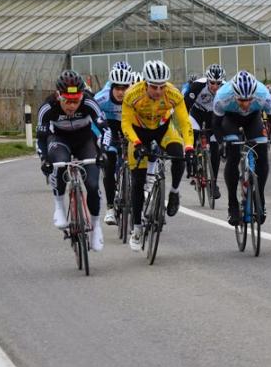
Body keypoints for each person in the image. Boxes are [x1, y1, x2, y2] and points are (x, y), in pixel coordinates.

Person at [121, 60, 194, 251]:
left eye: (162, 86)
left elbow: (185, 123)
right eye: (154, 87)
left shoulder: (173, 94)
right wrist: (136, 144)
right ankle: (137, 228)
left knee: (180, 157)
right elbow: (126, 124)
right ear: (146, 83)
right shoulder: (132, 95)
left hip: (163, 130)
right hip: (139, 133)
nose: (159, 91)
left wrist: (189, 147)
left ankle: (174, 192)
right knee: (137, 181)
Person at [37, 70, 108, 251]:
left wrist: (103, 152)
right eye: (67, 100)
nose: (71, 106)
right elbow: (41, 138)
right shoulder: (48, 107)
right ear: (58, 95)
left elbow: (105, 130)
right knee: (59, 163)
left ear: (81, 96)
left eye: (76, 100)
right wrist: (44, 159)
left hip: (84, 141)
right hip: (59, 140)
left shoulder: (89, 102)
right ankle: (59, 206)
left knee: (92, 184)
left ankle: (96, 227)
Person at [212, 70, 271, 226]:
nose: (245, 104)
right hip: (230, 120)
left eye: (249, 99)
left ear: (254, 94)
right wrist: (222, 142)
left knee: (262, 153)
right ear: (233, 94)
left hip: (253, 119)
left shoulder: (263, 94)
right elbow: (215, 125)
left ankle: (260, 199)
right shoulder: (222, 96)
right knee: (234, 154)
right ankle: (232, 204)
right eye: (241, 100)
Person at [94, 67, 134, 225]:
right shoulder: (101, 98)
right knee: (110, 163)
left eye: (125, 88)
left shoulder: (134, 97)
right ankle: (110, 208)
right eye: (117, 88)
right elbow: (93, 121)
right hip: (108, 128)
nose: (121, 92)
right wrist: (99, 140)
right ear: (111, 87)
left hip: (127, 126)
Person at [184, 63, 226, 199]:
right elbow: (185, 106)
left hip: (214, 116)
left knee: (215, 149)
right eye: (212, 83)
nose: (215, 86)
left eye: (218, 83)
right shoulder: (197, 86)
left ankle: (213, 183)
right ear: (207, 80)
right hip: (197, 114)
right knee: (193, 134)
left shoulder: (226, 89)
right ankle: (193, 163)